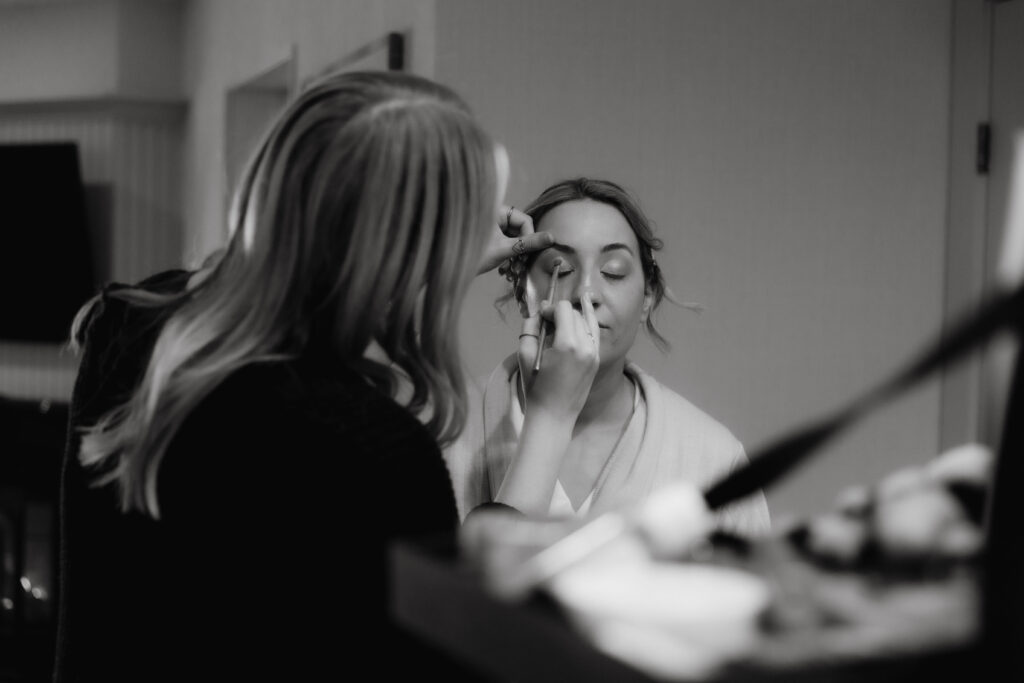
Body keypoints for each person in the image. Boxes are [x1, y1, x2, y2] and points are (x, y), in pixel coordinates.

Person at [52, 70, 554, 682]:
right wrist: (550, 420)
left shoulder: (130, 329)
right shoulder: (369, 450)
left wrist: (420, 265)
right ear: (415, 253)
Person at [445, 178, 770, 536]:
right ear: (523, 292)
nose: (586, 291)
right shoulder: (442, 430)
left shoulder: (715, 458)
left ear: (648, 296)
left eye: (613, 271)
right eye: (560, 269)